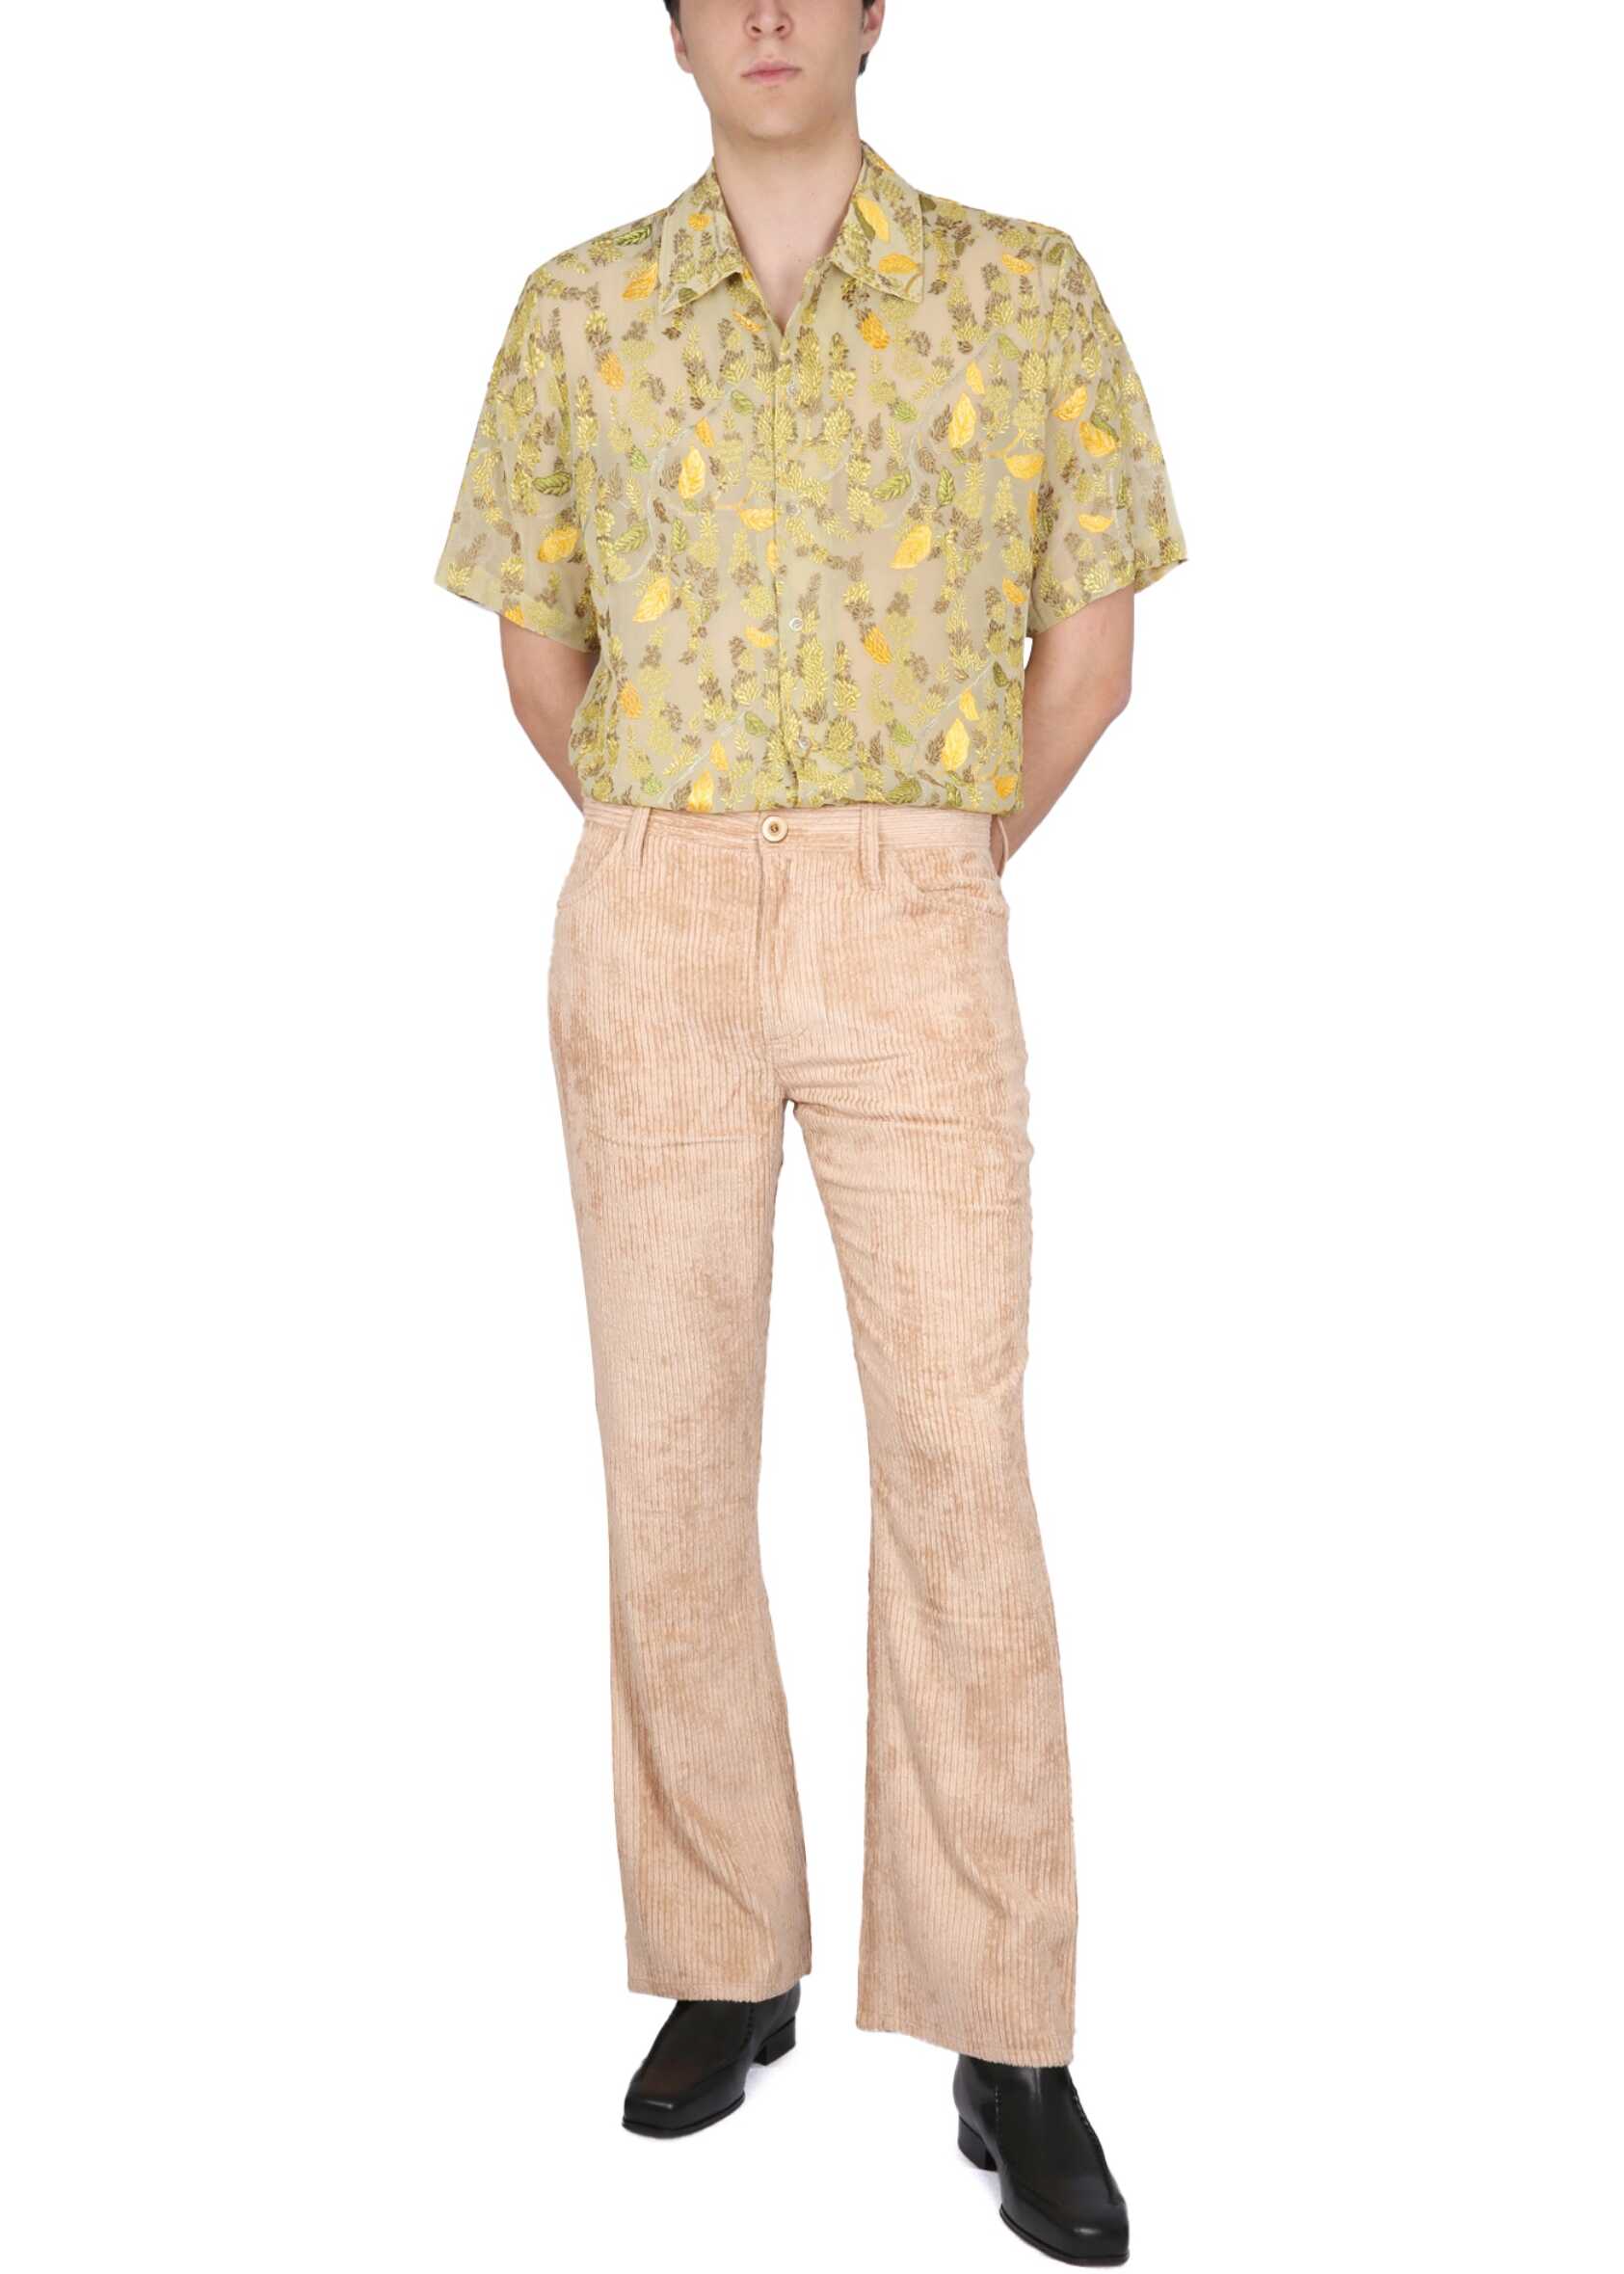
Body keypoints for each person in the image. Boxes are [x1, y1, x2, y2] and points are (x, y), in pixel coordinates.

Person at [432, 1, 1185, 2259]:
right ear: (668, 25)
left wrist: (919, 864)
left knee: (957, 1457)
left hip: (913, 906)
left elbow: (1093, 651)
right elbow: (537, 655)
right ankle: (723, 1952)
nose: (767, 13)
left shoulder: (1021, 286)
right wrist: (691, 855)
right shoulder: (578, 308)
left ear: (876, 12)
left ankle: (1007, 2026)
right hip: (648, 911)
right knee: (669, 1451)